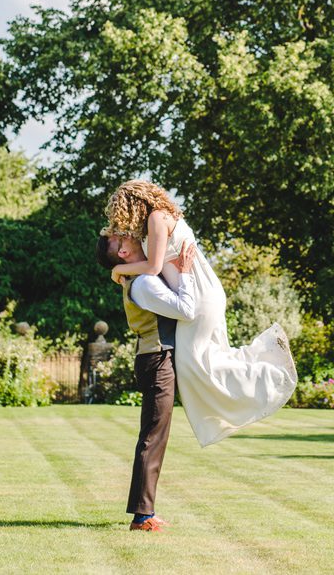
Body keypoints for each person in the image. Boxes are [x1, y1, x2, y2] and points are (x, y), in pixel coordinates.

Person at [104, 179, 296, 447]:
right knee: (209, 358)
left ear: (134, 204)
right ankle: (264, 361)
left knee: (194, 365)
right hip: (199, 291)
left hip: (197, 295)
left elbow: (153, 266)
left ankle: (269, 373)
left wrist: (118, 270)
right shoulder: (160, 217)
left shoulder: (157, 218)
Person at [100, 232, 197, 532]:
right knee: (153, 435)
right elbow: (185, 309)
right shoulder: (144, 283)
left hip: (155, 357)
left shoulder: (141, 277)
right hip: (156, 360)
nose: (128, 236)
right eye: (121, 240)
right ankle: (142, 516)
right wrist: (186, 273)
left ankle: (145, 512)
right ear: (124, 254)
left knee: (156, 435)